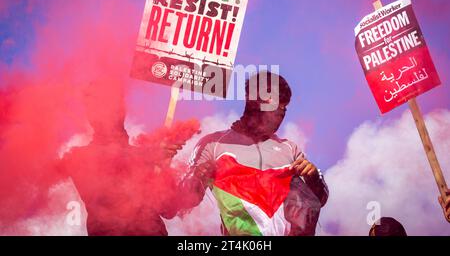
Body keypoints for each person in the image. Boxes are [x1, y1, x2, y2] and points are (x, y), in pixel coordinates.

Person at [174, 71, 328, 236]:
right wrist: (196, 178)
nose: (280, 111)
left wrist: (314, 178)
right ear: (252, 100)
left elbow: (319, 200)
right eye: (273, 102)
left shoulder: (289, 149)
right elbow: (182, 202)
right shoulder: (214, 144)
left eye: (284, 107)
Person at [56, 80, 193, 235]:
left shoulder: (149, 156)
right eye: (101, 103)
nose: (115, 109)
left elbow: (168, 210)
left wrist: (165, 170)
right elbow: (108, 168)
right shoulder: (79, 157)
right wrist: (150, 155)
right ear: (90, 114)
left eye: (117, 102)